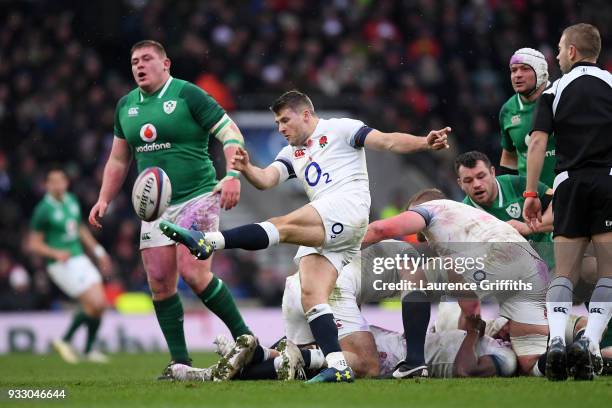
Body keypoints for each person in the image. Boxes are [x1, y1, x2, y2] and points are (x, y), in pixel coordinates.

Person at [160, 89, 451, 382]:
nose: (281, 128)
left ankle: (209, 241)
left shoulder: (340, 128)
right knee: (313, 294)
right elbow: (266, 180)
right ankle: (337, 365)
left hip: (347, 207)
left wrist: (424, 142)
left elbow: (387, 141)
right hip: (333, 234)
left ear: (306, 115)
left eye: (285, 120)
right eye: (277, 124)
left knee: (282, 225)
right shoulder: (290, 153)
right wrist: (247, 168)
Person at [88, 40, 260, 379]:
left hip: (198, 195)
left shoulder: (187, 95)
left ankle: (246, 339)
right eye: (134, 60)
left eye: (147, 59)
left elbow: (231, 134)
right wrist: (104, 198)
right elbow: (119, 159)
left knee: (194, 274)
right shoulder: (126, 106)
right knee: (161, 283)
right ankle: (179, 362)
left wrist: (233, 175)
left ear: (165, 64)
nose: (139, 65)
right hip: (154, 208)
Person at [362, 188, 550, 376]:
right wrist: (472, 321)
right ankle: (564, 358)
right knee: (530, 362)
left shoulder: (430, 209)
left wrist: (345, 251)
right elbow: (465, 286)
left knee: (415, 276)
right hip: (532, 265)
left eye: (410, 213)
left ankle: (414, 362)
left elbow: (380, 229)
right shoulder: (465, 220)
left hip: (497, 254)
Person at [524, 23, 612, 381]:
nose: (557, 55)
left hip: (568, 184)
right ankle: (589, 343)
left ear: (572, 51)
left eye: (560, 49)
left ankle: (557, 340)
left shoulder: (555, 90)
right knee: (608, 272)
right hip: (608, 182)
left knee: (565, 273)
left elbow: (537, 143)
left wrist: (531, 194)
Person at [29, 167, 111, 364]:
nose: (58, 185)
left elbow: (80, 229)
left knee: (101, 304)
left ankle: (87, 349)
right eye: (53, 181)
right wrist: (55, 252)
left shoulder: (71, 200)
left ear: (66, 183)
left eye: (61, 181)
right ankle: (65, 340)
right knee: (95, 303)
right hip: (60, 264)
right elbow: (33, 244)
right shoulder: (43, 210)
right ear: (47, 185)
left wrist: (98, 252)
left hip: (79, 258)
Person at [455, 150, 554, 268]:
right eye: (468, 180)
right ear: (460, 184)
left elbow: (562, 206)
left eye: (481, 176)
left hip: (553, 260)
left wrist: (529, 228)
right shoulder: (464, 215)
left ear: (492, 172)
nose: (476, 184)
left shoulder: (515, 183)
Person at [499, 48, 556, 187]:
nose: (517, 75)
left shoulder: (561, 97)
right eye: (514, 70)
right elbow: (509, 157)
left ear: (541, 72)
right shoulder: (508, 110)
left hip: (567, 193)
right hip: (531, 199)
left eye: (525, 69)